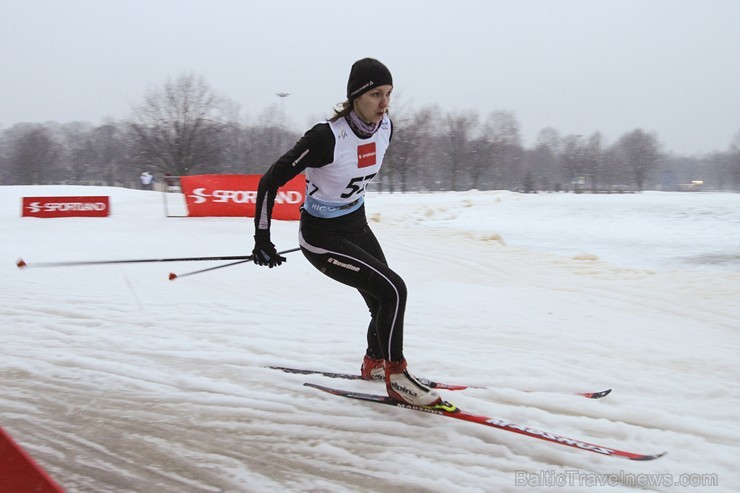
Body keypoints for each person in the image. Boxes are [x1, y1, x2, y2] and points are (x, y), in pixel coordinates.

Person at [252, 58, 442, 407]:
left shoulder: (386, 127)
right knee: (394, 290)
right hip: (321, 237)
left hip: (356, 225)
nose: (385, 104)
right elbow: (269, 181)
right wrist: (262, 239)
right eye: (375, 94)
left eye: (388, 94)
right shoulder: (325, 137)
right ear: (355, 96)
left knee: (382, 300)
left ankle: (374, 363)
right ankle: (397, 376)